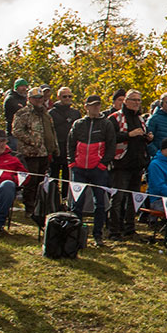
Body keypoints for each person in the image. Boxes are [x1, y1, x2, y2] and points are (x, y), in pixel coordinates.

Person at [67, 94, 117, 246]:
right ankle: (75, 234)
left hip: (98, 169)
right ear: (86, 107)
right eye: (93, 105)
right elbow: (70, 143)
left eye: (98, 105)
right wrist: (72, 162)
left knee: (100, 204)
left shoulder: (106, 124)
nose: (96, 107)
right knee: (77, 203)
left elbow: (111, 145)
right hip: (79, 169)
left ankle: (98, 235)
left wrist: (103, 164)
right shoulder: (78, 124)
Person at [107, 89, 151, 240]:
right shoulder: (115, 117)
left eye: (139, 100)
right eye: (133, 100)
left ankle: (130, 229)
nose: (137, 103)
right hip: (121, 164)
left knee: (134, 199)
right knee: (118, 199)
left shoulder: (140, 119)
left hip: (137, 164)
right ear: (125, 101)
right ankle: (114, 230)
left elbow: (141, 138)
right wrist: (128, 135)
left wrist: (148, 137)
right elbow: (110, 138)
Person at [10, 87, 57, 216]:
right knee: (31, 181)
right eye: (35, 98)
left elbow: (51, 131)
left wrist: (54, 146)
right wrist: (32, 141)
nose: (38, 100)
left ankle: (38, 207)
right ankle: (29, 207)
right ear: (29, 99)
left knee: (41, 181)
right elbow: (16, 130)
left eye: (40, 98)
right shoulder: (23, 113)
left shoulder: (46, 113)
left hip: (45, 152)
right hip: (30, 153)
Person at [47, 87, 79, 188]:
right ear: (59, 97)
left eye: (69, 96)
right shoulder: (51, 113)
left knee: (68, 176)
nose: (67, 98)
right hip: (56, 149)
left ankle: (66, 199)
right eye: (65, 96)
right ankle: (52, 200)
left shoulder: (76, 113)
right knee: (53, 177)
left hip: (70, 149)